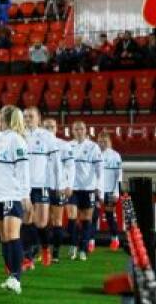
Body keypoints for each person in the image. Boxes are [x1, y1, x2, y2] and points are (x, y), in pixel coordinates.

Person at [0, 106, 31, 294]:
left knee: (12, 235)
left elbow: (23, 170)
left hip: (12, 195)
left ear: (4, 118)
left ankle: (16, 278)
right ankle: (11, 275)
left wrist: (25, 195)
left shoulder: (17, 140)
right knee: (4, 237)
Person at [24, 107, 63, 266]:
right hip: (25, 186)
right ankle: (28, 257)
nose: (27, 119)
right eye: (25, 116)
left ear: (38, 118)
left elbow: (56, 163)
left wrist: (59, 184)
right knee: (26, 221)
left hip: (42, 185)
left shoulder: (47, 136)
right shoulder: (20, 135)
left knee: (41, 223)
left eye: (30, 116)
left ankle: (45, 248)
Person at [68, 120, 104, 260]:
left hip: (88, 188)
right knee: (72, 217)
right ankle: (73, 245)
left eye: (81, 129)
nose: (79, 131)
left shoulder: (93, 147)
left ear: (86, 130)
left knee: (86, 219)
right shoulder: (68, 146)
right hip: (73, 189)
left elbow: (100, 169)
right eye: (76, 129)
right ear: (72, 131)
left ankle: (83, 249)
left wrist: (99, 187)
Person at [44, 117, 74, 263]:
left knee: (56, 220)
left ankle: (55, 253)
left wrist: (68, 184)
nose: (49, 129)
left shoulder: (64, 145)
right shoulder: (37, 144)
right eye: (46, 127)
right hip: (41, 186)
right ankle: (42, 250)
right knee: (41, 221)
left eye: (52, 127)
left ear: (56, 129)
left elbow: (70, 167)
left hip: (58, 187)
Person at [97, 131, 123, 248]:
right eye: (100, 141)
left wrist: (116, 192)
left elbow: (119, 175)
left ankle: (115, 238)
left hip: (109, 191)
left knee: (109, 215)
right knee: (93, 216)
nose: (102, 144)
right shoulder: (95, 153)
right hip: (96, 190)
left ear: (110, 142)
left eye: (105, 141)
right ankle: (91, 241)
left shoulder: (115, 155)